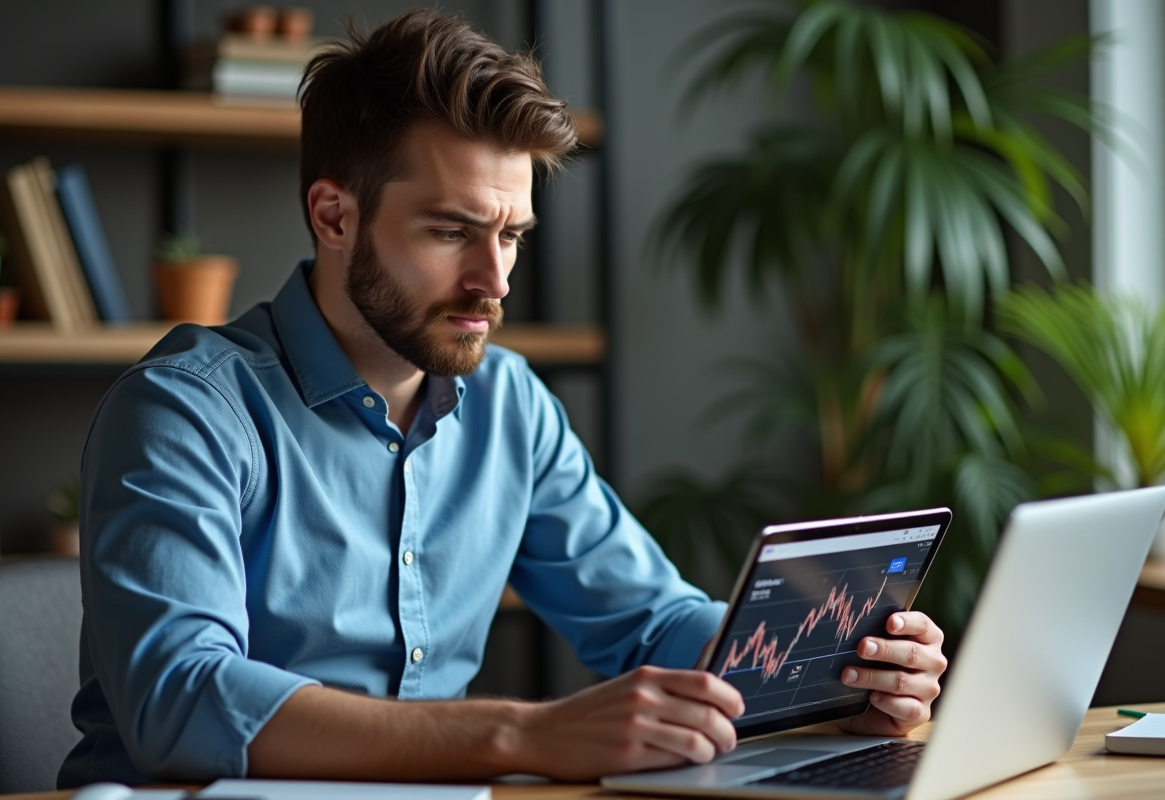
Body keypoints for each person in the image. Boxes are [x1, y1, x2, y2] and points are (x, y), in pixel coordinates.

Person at [59, 9, 947, 788]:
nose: (494, 281)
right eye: (451, 231)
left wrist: (830, 674)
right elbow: (181, 699)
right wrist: (524, 733)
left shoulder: (508, 404)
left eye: (512, 236)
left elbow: (649, 623)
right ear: (334, 216)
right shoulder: (185, 411)